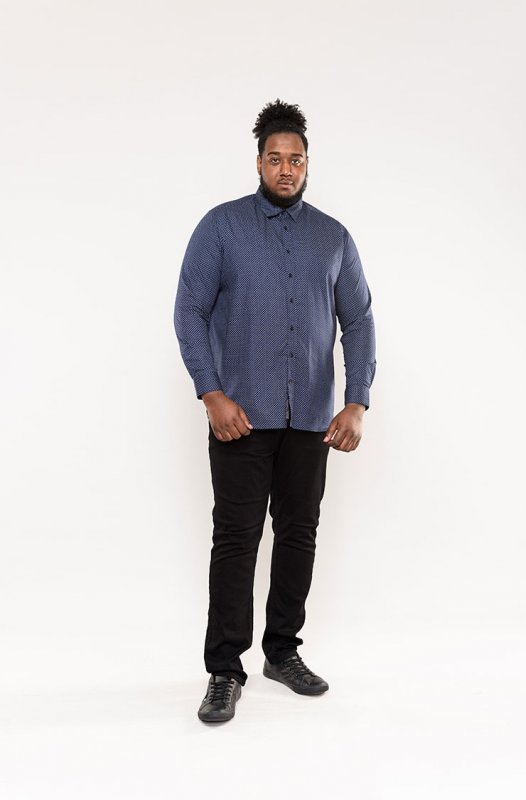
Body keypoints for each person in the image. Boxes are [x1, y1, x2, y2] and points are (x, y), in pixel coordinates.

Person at [173, 99, 377, 723]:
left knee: (298, 534)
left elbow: (359, 319)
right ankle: (223, 669)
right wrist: (211, 393)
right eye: (275, 158)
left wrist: (357, 401)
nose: (286, 169)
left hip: (311, 418)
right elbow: (189, 311)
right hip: (240, 417)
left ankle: (282, 651)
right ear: (258, 162)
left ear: (307, 164)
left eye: (296, 159)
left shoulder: (333, 237)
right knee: (236, 539)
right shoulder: (221, 227)